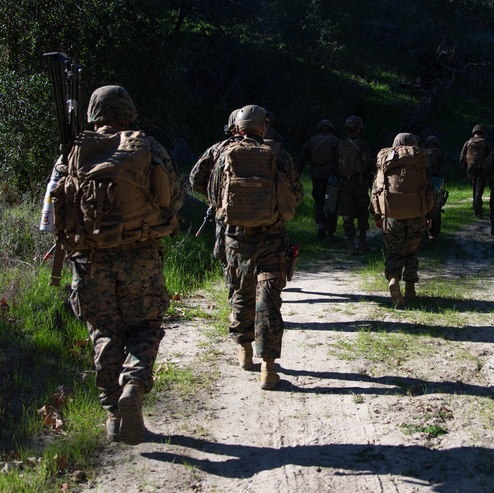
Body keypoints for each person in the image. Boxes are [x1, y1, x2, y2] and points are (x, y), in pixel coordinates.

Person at [50, 85, 183, 445]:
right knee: (145, 325)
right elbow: (175, 195)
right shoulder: (148, 148)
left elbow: (50, 213)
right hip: (140, 253)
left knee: (104, 330)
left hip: (90, 259)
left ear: (94, 113)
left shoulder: (71, 153)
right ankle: (135, 385)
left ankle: (112, 413)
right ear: (128, 112)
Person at [208, 105, 304, 389]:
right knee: (269, 302)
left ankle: (244, 350)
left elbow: (213, 194)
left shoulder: (225, 153)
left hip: (236, 241)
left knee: (241, 293)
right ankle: (269, 369)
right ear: (263, 127)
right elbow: (297, 194)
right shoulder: (278, 154)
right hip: (272, 241)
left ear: (238, 128)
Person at [372, 133, 435, 307]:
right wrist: (429, 214)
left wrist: (377, 214)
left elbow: (376, 187)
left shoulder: (385, 157)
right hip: (416, 212)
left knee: (394, 251)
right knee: (411, 251)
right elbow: (428, 187)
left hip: (392, 213)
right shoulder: (420, 157)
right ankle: (410, 288)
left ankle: (393, 278)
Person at [190, 108, 242, 293]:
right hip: (262, 216)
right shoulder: (268, 150)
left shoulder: (217, 149)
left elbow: (195, 179)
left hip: (225, 214)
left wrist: (214, 198)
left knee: (225, 256)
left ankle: (234, 294)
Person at [336, 115, 376, 255]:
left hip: (345, 183)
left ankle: (351, 245)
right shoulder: (362, 145)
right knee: (362, 212)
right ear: (358, 129)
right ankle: (363, 243)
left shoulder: (340, 144)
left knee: (348, 214)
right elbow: (368, 162)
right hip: (360, 183)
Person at [296, 119, 341, 241]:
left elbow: (301, 158)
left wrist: (296, 174)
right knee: (332, 203)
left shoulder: (312, 141)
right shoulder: (335, 141)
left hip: (317, 175)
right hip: (332, 175)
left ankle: (320, 223)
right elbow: (341, 159)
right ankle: (330, 233)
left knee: (319, 201)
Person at [459, 124, 490, 217]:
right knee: (479, 190)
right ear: (482, 133)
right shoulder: (485, 143)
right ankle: (477, 210)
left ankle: (477, 209)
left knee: (474, 189)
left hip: (471, 169)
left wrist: (465, 167)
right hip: (482, 169)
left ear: (474, 133)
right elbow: (489, 157)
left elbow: (461, 157)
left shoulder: (468, 143)